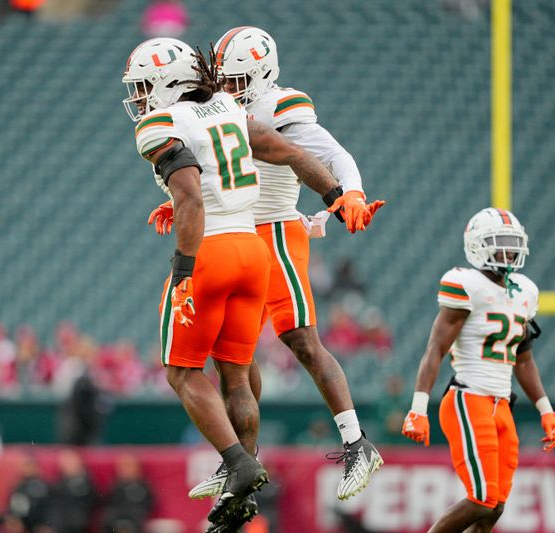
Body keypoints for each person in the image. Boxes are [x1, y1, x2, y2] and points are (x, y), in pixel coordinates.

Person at [123, 37, 348, 528]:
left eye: (143, 86)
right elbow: (287, 151)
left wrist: (183, 266)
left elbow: (190, 196)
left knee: (182, 373)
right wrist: (335, 193)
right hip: (253, 251)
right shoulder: (227, 105)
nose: (139, 98)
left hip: (212, 251)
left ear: (166, 83)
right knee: (236, 372)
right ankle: (240, 480)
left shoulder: (160, 124)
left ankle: (240, 462)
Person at [181, 26, 385, 507]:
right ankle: (243, 460)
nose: (228, 87)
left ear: (263, 74)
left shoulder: (279, 104)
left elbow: (331, 152)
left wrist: (349, 190)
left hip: (274, 230)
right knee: (235, 357)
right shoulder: (219, 105)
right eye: (223, 78)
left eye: (237, 79)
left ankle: (357, 443)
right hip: (235, 233)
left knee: (300, 337)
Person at [401, 207, 555, 532]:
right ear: (477, 245)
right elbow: (436, 350)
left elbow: (524, 359)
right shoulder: (465, 283)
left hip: (502, 404)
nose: (509, 251)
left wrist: (546, 409)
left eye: (513, 243)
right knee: (482, 497)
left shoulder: (525, 291)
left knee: (495, 507)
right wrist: (418, 407)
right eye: (500, 243)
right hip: (468, 399)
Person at [102, 454, 154, 533]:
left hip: (135, 517)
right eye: (124, 468)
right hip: (117, 516)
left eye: (129, 467)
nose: (127, 471)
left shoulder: (142, 486)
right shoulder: (116, 486)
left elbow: (150, 502)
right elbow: (109, 502)